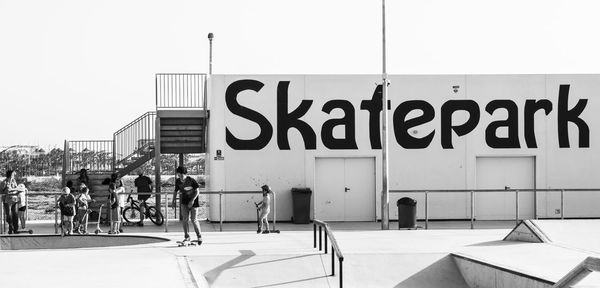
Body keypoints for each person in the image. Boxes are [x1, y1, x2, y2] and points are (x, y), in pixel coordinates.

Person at [171, 166, 202, 244]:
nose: (181, 177)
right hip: (184, 202)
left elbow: (197, 191)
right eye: (179, 175)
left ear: (185, 174)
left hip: (193, 203)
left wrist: (192, 200)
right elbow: (175, 191)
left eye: (182, 175)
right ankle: (187, 237)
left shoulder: (191, 180)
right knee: (185, 220)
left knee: (194, 219)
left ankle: (199, 236)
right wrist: (173, 201)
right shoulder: (178, 181)